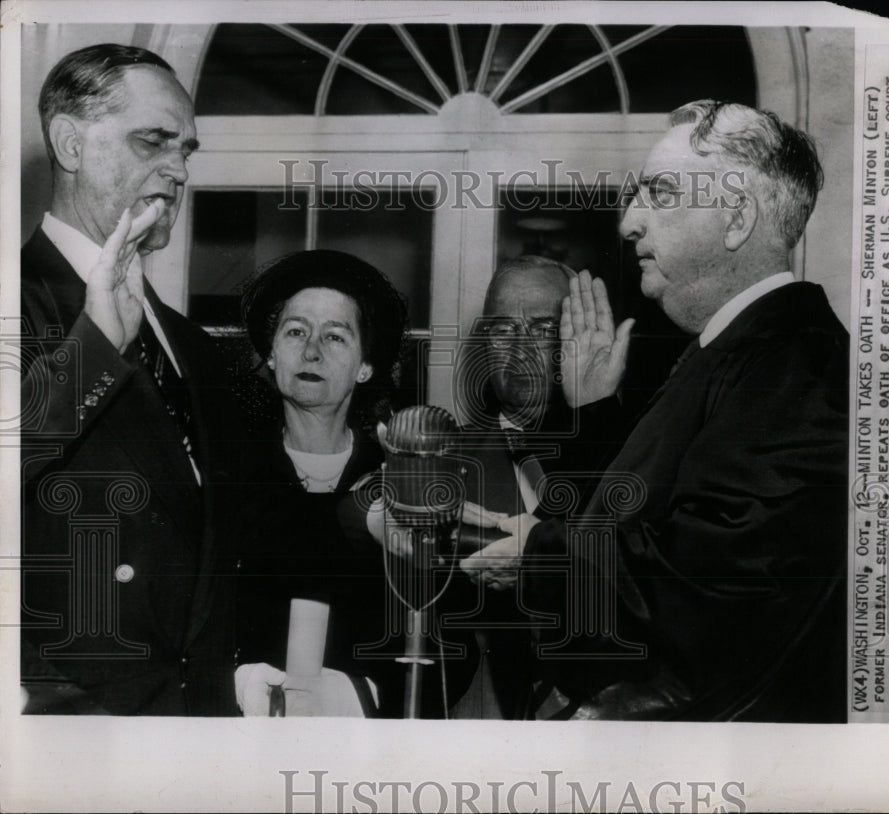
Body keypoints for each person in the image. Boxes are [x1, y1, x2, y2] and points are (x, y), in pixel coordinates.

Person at [462, 100, 849, 722]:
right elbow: (646, 525)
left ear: (737, 218)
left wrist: (536, 556)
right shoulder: (736, 349)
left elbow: (706, 595)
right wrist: (594, 416)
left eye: (660, 193)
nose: (629, 222)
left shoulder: (799, 367)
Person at [19, 43, 248, 715]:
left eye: (185, 150)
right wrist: (92, 348)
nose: (177, 170)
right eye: (153, 141)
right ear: (69, 142)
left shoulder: (193, 347)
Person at [449, 255, 628, 718]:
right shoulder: (450, 459)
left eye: (545, 328)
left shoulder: (627, 451)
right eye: (504, 330)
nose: (521, 348)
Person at [234, 249, 411, 717]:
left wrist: (364, 698)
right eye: (295, 332)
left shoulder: (398, 479)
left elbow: (439, 638)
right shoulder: (226, 474)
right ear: (271, 354)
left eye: (335, 336)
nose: (311, 350)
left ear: (365, 365)